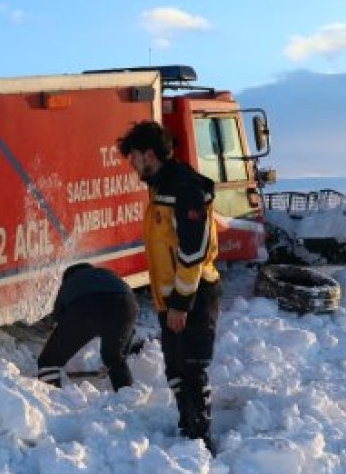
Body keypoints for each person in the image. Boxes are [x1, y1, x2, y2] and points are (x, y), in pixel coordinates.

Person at [117, 120, 220, 450]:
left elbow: (193, 250)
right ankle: (187, 429)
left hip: (193, 295)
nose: (130, 164)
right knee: (175, 369)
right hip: (170, 298)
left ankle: (200, 442)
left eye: (133, 157)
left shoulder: (184, 189)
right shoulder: (160, 186)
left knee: (191, 369)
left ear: (149, 154)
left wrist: (181, 303)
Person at [36, 262, 139, 391]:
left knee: (48, 362)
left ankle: (51, 400)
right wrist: (121, 351)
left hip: (87, 305)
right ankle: (127, 397)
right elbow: (128, 327)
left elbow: (59, 319)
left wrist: (55, 349)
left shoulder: (71, 281)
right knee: (115, 359)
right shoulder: (108, 274)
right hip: (127, 304)